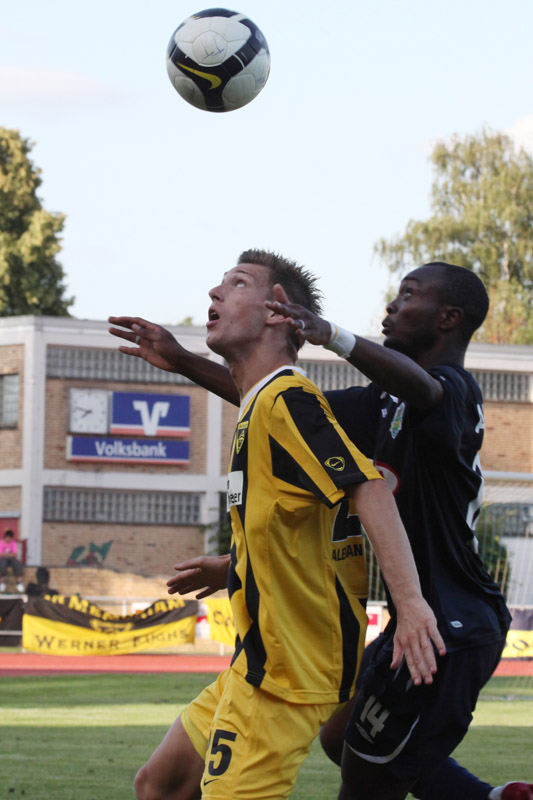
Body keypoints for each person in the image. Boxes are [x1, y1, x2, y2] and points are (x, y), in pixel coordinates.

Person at [110, 260, 531, 800]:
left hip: (448, 619)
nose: (392, 305)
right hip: (377, 624)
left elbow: (388, 443)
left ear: (449, 317)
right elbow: (272, 404)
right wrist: (182, 361)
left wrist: (332, 334)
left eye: (408, 294)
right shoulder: (369, 404)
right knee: (334, 739)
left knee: (366, 781)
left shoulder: (452, 392)